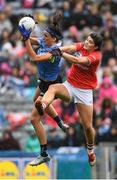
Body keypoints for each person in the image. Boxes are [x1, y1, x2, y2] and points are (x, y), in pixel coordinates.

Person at [33, 32, 103, 166]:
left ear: (96, 47)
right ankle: (42, 105)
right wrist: (60, 49)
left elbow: (76, 60)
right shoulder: (83, 46)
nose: (86, 43)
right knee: (52, 88)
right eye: (87, 40)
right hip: (70, 85)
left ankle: (90, 150)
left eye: (90, 43)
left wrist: (60, 53)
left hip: (84, 91)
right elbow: (70, 47)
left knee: (88, 127)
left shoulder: (96, 56)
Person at [18, 11, 69, 166]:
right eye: (44, 35)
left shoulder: (55, 52)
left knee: (33, 118)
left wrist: (26, 37)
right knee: (35, 100)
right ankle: (59, 122)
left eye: (46, 36)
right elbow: (26, 41)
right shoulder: (45, 41)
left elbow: (34, 57)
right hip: (42, 82)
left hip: (51, 85)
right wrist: (27, 31)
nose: (43, 38)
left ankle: (44, 153)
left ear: (55, 39)